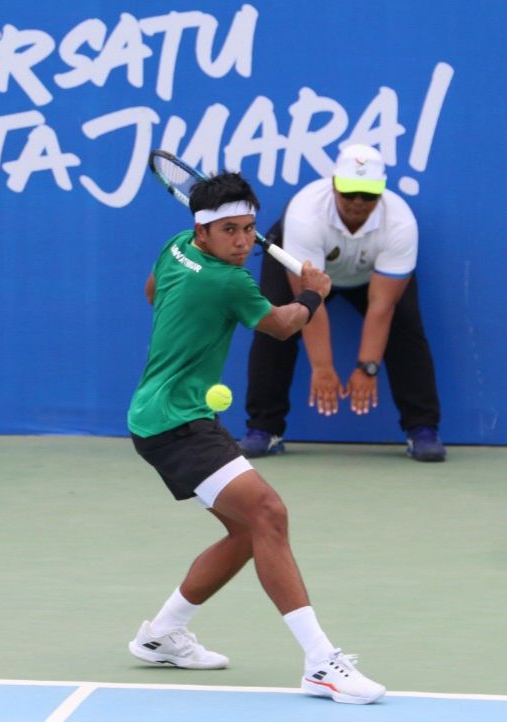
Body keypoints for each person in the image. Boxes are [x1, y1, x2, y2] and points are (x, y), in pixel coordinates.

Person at [125, 171, 385, 705]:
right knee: (269, 513)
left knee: (248, 532)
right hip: (176, 423)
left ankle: (161, 634)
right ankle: (320, 663)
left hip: (165, 414)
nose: (243, 242)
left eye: (248, 229)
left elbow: (153, 291)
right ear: (203, 233)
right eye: (230, 232)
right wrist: (313, 296)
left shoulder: (176, 248)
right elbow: (283, 324)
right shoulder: (227, 282)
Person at [240, 144, 446, 462]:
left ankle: (422, 429)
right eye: (350, 192)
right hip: (307, 273)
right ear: (334, 184)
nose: (358, 203)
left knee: (406, 328)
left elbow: (381, 307)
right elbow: (308, 301)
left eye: (367, 193)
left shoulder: (400, 223)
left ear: (381, 191)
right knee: (276, 324)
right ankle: (265, 428)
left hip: (371, 275)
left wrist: (367, 367)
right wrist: (322, 367)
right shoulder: (305, 215)